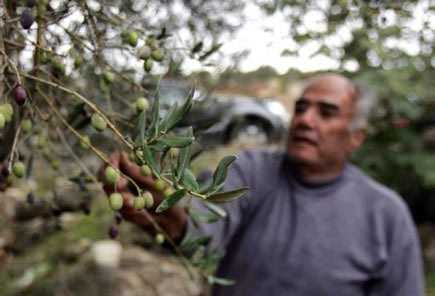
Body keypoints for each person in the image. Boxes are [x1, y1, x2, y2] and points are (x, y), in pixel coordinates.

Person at [104, 73, 425, 295]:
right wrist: (166, 208)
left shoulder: (386, 214)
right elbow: (202, 221)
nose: (304, 119)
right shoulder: (250, 171)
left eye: (325, 113)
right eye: (301, 108)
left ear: (356, 137)